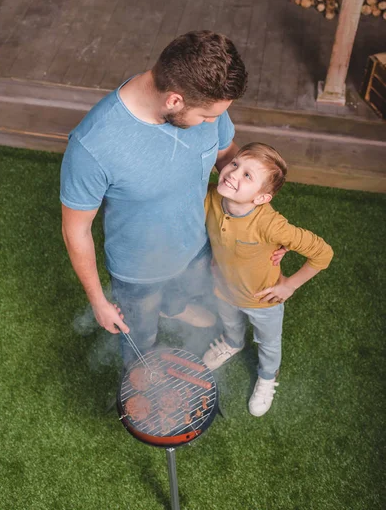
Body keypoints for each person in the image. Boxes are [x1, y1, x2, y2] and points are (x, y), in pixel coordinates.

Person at [60, 30, 257, 367]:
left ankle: (175, 308)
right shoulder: (93, 145)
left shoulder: (208, 103)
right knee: (140, 338)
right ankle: (142, 363)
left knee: (190, 288)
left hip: (197, 243)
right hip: (139, 272)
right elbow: (76, 230)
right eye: (207, 117)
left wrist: (255, 216)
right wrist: (98, 301)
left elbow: (227, 156)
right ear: (174, 101)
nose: (214, 121)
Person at [202, 142, 333, 417]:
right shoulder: (211, 196)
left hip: (262, 300)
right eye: (235, 163)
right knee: (230, 323)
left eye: (248, 175)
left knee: (269, 343)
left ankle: (267, 377)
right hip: (223, 289)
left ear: (261, 198)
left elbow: (323, 253)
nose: (233, 173)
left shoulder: (270, 224)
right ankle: (232, 343)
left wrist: (290, 284)